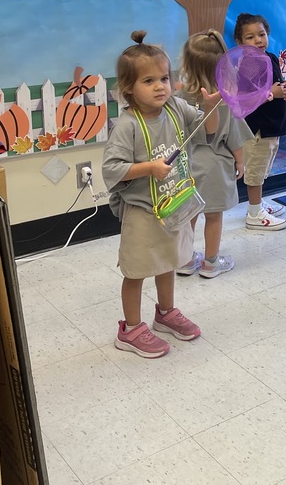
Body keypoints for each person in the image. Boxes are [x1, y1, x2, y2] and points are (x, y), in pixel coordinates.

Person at [102, 30, 219, 358]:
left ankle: (165, 314)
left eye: (164, 78)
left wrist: (212, 109)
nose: (160, 87)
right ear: (128, 89)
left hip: (175, 205)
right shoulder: (128, 126)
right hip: (142, 212)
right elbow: (112, 169)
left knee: (168, 262)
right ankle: (130, 329)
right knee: (137, 270)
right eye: (149, 80)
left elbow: (205, 132)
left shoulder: (176, 108)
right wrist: (148, 168)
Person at [175, 30, 253, 278]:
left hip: (187, 165)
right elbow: (235, 136)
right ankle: (210, 262)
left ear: (187, 64)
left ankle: (185, 260)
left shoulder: (179, 97)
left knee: (189, 214)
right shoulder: (226, 98)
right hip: (216, 165)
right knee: (214, 216)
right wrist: (241, 162)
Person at [234, 13, 286, 230]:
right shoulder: (248, 64)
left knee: (263, 166)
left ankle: (258, 203)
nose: (258, 40)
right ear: (240, 43)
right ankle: (254, 213)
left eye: (261, 34)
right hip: (257, 129)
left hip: (271, 127)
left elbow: (278, 84)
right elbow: (245, 98)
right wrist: (272, 93)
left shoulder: (271, 57)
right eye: (250, 37)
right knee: (255, 170)